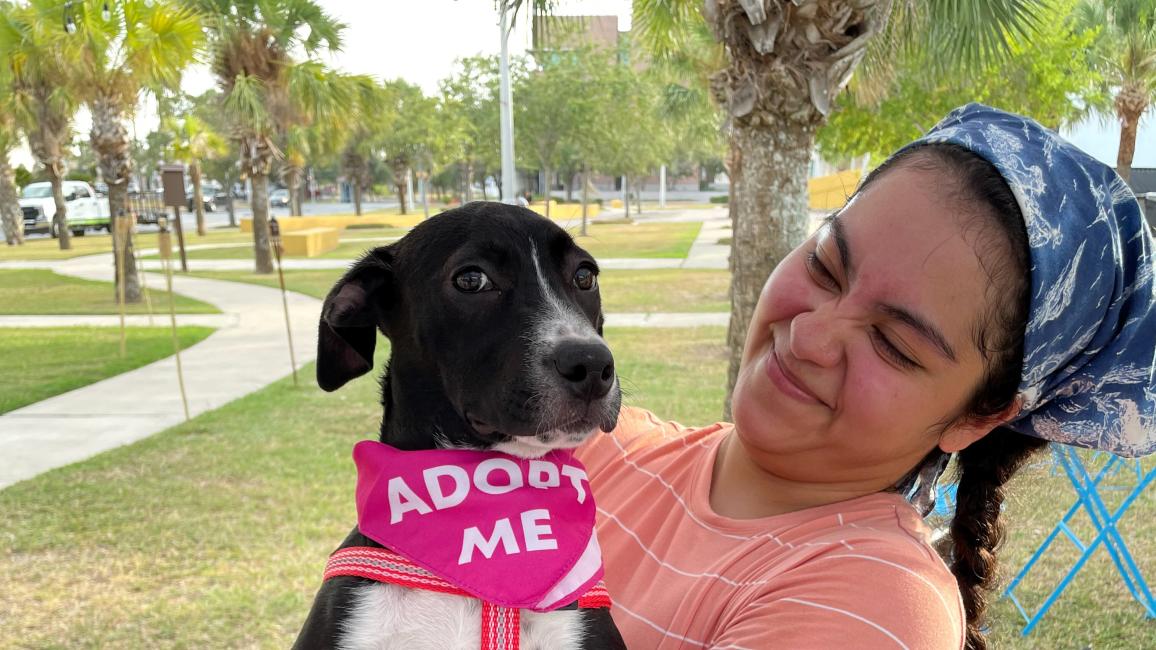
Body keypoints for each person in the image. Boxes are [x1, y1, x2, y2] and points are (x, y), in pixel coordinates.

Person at [576, 104, 1156, 649]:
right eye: (825, 266)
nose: (808, 336)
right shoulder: (593, 446)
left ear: (978, 416)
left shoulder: (876, 605)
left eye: (894, 345)